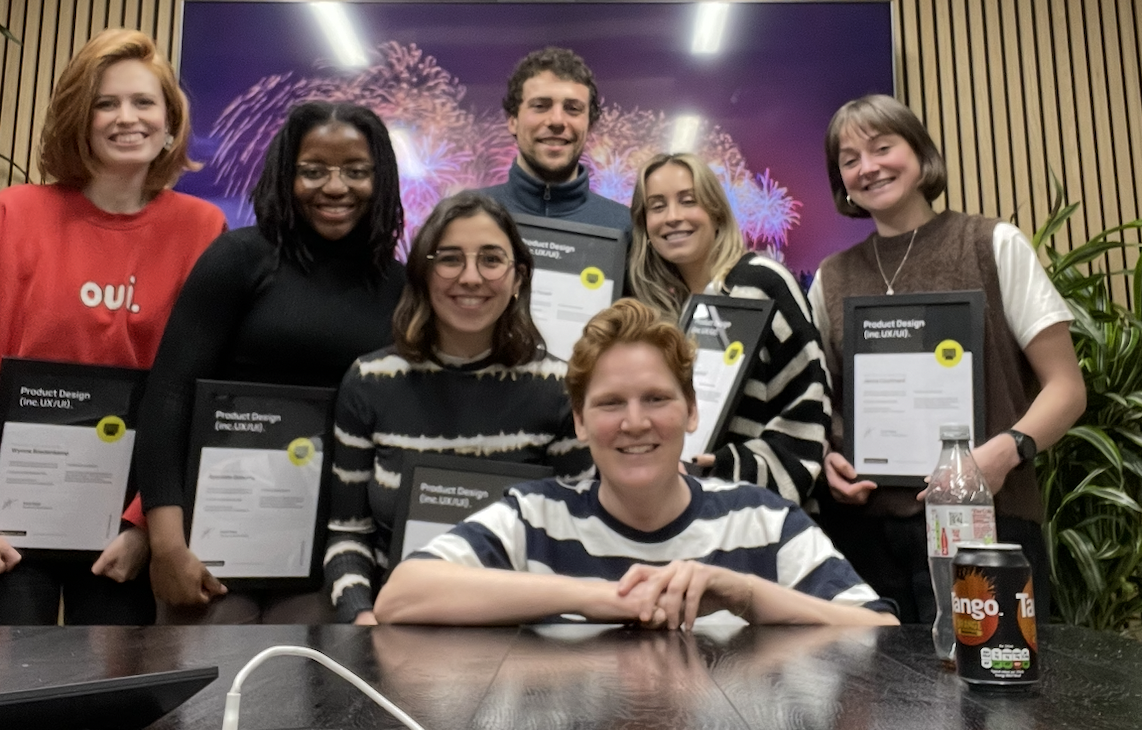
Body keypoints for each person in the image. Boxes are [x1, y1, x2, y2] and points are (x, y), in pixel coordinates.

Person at [372, 299, 896, 629]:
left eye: (656, 399)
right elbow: (402, 595)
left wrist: (743, 593)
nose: (635, 422)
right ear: (579, 422)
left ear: (692, 411)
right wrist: (600, 598)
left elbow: (877, 630)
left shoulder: (764, 521)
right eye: (610, 403)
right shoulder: (535, 517)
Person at [810, 94, 1086, 622]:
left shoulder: (991, 245)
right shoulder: (831, 277)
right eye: (849, 160)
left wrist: (1002, 455)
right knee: (880, 699)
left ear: (919, 154)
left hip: (989, 523)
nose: (868, 167)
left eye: (882, 147)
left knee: (996, 697)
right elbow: (822, 403)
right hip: (868, 538)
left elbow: (1067, 389)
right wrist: (828, 457)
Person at [136, 100, 406, 624]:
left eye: (356, 171)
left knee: (306, 697)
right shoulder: (237, 259)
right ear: (287, 174)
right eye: (313, 170)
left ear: (382, 180)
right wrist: (167, 545)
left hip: (328, 552)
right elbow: (167, 399)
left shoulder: (400, 287)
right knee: (210, 696)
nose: (334, 187)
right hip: (213, 539)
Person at [0, 28, 226, 625]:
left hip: (131, 517)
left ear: (170, 120)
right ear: (81, 116)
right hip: (12, 517)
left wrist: (147, 524)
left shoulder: (201, 228)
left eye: (144, 102)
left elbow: (194, 389)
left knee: (117, 687)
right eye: (106, 103)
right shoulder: (17, 213)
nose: (127, 118)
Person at [324, 191, 591, 624]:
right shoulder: (370, 382)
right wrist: (363, 619)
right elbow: (348, 534)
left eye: (491, 259)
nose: (470, 277)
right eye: (449, 259)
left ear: (518, 277)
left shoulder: (558, 388)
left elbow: (578, 535)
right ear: (423, 273)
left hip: (520, 631)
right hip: (396, 626)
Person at [627, 152, 830, 506]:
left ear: (716, 211)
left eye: (688, 201)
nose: (672, 217)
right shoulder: (654, 314)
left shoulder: (761, 283)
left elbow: (807, 403)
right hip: (671, 515)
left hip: (756, 518)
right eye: (657, 207)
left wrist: (729, 469)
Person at [478, 46, 631, 232]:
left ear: (589, 126)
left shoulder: (626, 228)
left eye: (573, 109)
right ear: (513, 120)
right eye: (541, 106)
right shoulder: (463, 217)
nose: (557, 121)